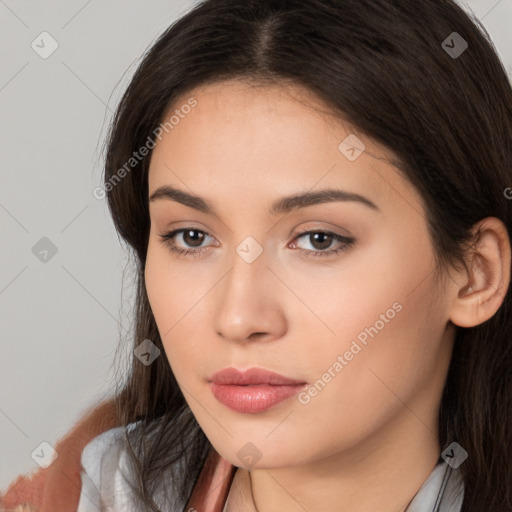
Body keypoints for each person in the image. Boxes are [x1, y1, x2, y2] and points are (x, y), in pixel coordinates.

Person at [3, 0, 512, 510]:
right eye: (192, 236)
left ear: (475, 275)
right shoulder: (81, 493)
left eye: (318, 239)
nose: (239, 317)